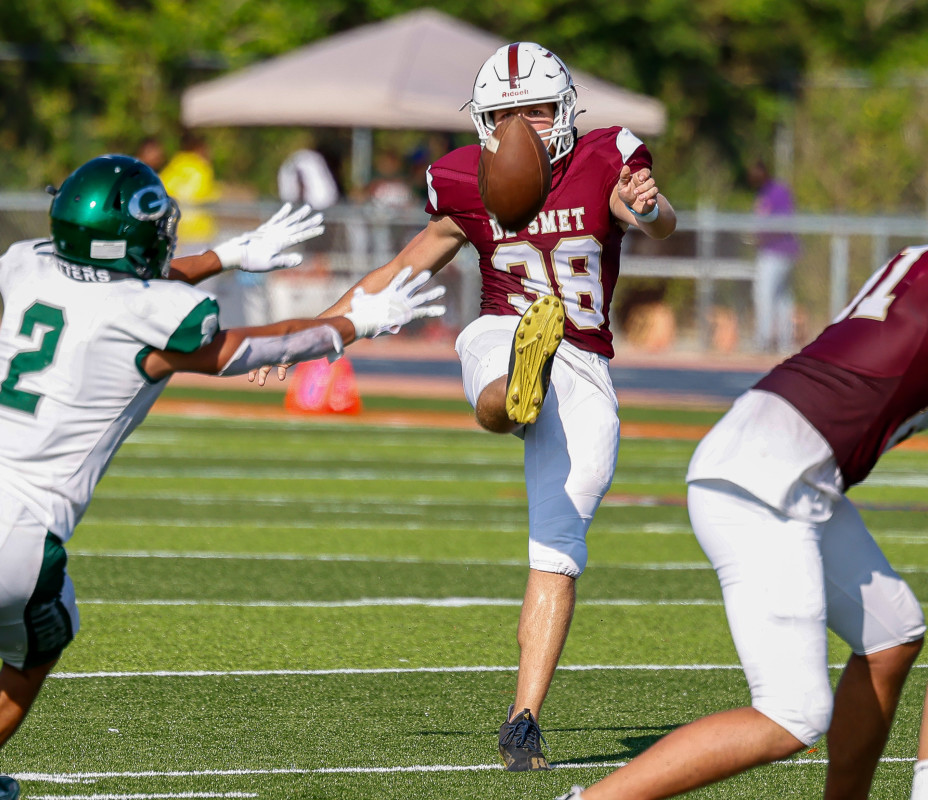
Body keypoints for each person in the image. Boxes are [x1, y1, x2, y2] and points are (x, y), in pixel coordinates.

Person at [0, 155, 445, 800]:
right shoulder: (155, 314)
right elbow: (244, 347)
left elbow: (117, 281)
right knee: (33, 662)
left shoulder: (27, 264)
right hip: (15, 533)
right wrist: (353, 326)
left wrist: (224, 254)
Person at [254, 41, 677, 771]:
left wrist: (651, 207)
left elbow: (654, 219)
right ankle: (515, 389)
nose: (519, 131)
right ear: (482, 120)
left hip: (577, 359)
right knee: (504, 383)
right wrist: (312, 334)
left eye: (536, 111)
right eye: (505, 115)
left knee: (557, 551)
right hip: (508, 330)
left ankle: (524, 722)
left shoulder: (606, 159)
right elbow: (398, 272)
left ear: (568, 110)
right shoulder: (462, 180)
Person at [558, 244, 928, 800]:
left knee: (892, 633)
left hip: (778, 452)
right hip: (770, 477)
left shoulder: (913, 259)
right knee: (793, 714)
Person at [748, 159, 799, 352]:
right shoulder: (764, 192)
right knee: (780, 297)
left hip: (777, 251)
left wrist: (761, 234)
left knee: (766, 294)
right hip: (772, 250)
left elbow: (783, 221)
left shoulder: (777, 191)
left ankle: (765, 339)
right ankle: (783, 341)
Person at [159, 130, 221, 254]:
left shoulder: (172, 165)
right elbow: (206, 195)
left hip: (176, 231)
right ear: (199, 147)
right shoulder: (201, 167)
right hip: (199, 231)